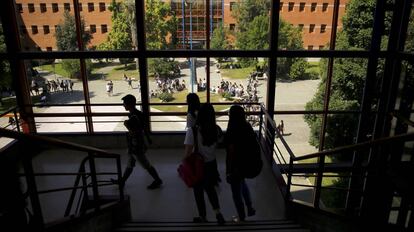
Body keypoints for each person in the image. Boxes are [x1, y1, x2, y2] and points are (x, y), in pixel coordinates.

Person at [183, 103, 225, 224]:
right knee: (211, 189)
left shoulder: (193, 131)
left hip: (199, 166)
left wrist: (184, 164)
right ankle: (218, 213)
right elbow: (220, 142)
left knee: (198, 192)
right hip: (212, 164)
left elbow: (188, 152)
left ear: (199, 115)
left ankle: (203, 216)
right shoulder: (216, 129)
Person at [112, 94, 163, 190]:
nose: (123, 105)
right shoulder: (138, 113)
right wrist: (148, 139)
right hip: (136, 145)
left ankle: (158, 180)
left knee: (146, 165)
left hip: (136, 146)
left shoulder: (133, 116)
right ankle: (122, 181)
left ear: (129, 104)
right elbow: (144, 128)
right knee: (130, 164)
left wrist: (126, 124)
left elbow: (134, 131)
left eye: (124, 103)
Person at [225, 105, 256, 222]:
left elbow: (231, 151)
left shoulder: (232, 128)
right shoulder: (247, 126)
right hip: (245, 163)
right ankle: (250, 207)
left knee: (236, 192)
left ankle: (241, 215)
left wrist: (229, 170)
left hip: (235, 165)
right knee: (242, 183)